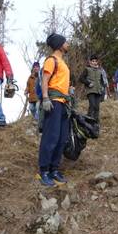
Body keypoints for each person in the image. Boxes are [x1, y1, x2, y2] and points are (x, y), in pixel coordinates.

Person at [37, 33, 71, 187]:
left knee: (62, 138)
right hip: (53, 103)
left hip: (64, 103)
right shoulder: (52, 60)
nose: (68, 44)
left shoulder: (62, 62)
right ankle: (44, 170)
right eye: (65, 42)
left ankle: (54, 169)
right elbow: (45, 80)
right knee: (51, 137)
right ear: (59, 44)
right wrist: (45, 98)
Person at [79, 54, 107, 121]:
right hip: (90, 90)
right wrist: (88, 83)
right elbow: (81, 78)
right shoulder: (87, 69)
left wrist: (102, 87)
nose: (94, 62)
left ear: (97, 62)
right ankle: (88, 120)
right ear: (90, 62)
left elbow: (102, 81)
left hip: (98, 91)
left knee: (97, 107)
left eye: (95, 61)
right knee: (92, 105)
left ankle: (96, 121)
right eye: (93, 61)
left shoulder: (100, 70)